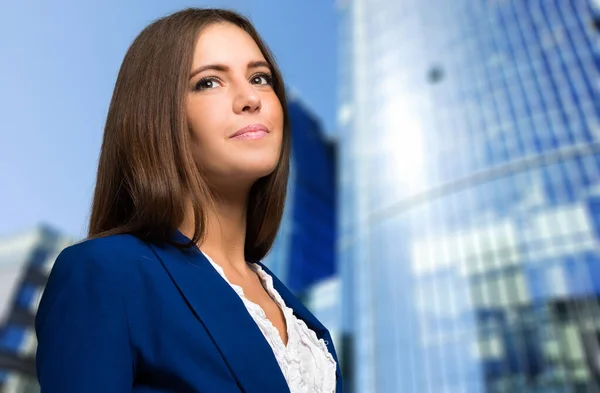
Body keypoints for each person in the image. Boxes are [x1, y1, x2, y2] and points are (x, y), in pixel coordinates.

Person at [35, 8, 342, 393]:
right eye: (210, 82)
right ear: (157, 116)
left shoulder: (304, 323)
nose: (250, 98)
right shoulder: (105, 273)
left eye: (260, 78)